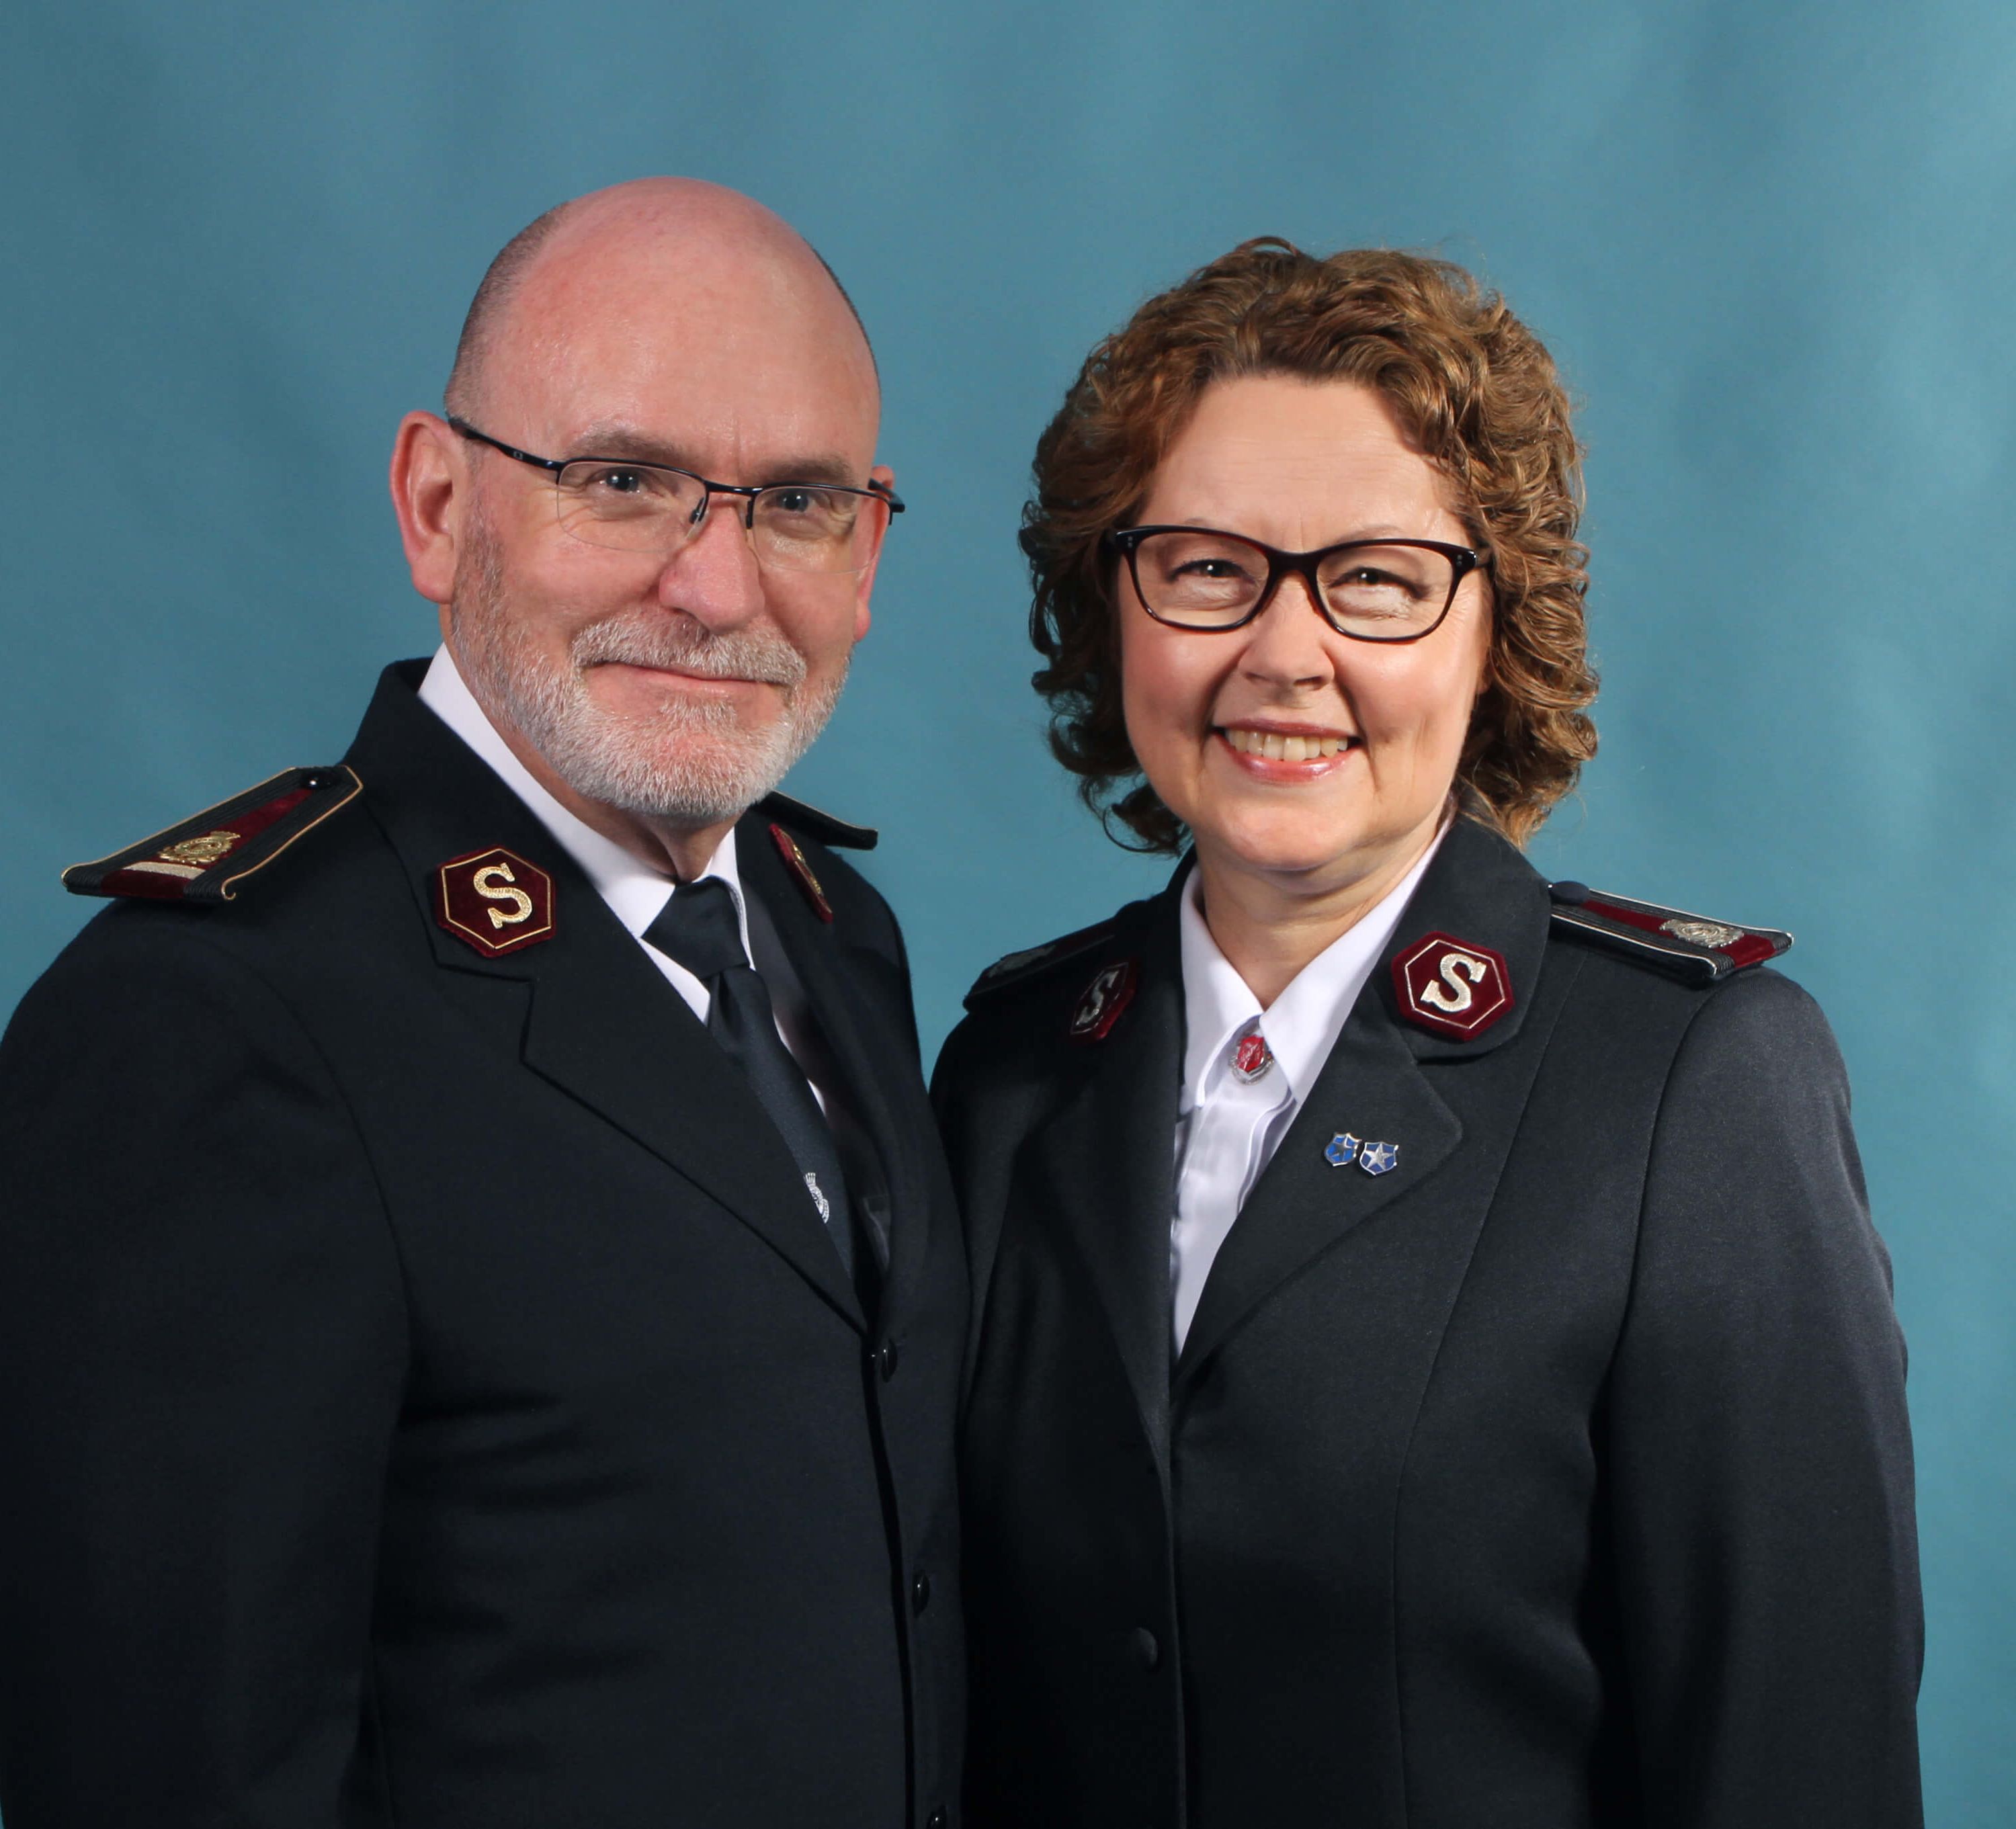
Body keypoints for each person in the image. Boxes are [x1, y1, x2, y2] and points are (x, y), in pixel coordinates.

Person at [0, 179, 963, 1829]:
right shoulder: (211, 1019)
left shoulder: (835, 934)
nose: (718, 589)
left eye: (795, 502)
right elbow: (164, 1774)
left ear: (868, 551)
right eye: (626, 480)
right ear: (439, 505)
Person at [935, 239, 1921, 1827]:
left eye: (1378, 578)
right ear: (1108, 602)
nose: (1283, 648)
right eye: (1206, 566)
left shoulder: (1688, 1087)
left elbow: (1799, 1764)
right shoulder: (1009, 1075)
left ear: (1493, 634)